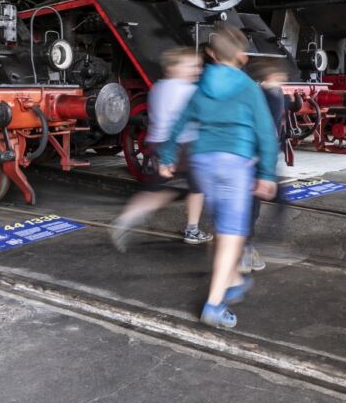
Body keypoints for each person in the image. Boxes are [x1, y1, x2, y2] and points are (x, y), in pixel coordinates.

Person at [159, 24, 279, 329]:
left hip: (203, 162)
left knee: (225, 229)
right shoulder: (248, 87)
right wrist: (266, 173)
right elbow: (266, 133)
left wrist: (166, 156)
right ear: (241, 56)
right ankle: (214, 304)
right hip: (234, 163)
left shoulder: (201, 86)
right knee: (230, 235)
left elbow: (180, 122)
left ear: (211, 54)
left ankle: (235, 279)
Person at [109, 48, 209, 250]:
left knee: (157, 189)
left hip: (157, 142)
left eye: (198, 66)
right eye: (191, 66)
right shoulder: (188, 90)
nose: (197, 70)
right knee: (197, 189)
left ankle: (126, 218)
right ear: (174, 68)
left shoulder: (158, 88)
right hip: (183, 145)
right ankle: (192, 229)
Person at [242, 57, 291, 274]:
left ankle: (252, 245)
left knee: (259, 204)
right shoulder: (264, 96)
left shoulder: (272, 93)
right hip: (258, 159)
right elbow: (267, 130)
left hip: (263, 159)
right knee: (252, 206)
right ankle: (247, 248)